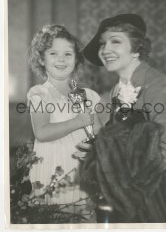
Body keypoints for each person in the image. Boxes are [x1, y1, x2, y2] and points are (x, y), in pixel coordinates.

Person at [78, 14, 166, 223]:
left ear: (136, 48)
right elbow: (110, 142)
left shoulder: (158, 84)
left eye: (116, 41)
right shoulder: (112, 93)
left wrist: (124, 183)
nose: (105, 49)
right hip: (120, 194)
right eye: (103, 43)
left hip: (153, 193)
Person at [27, 24, 101, 222]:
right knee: (57, 220)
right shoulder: (39, 94)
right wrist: (77, 121)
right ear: (42, 59)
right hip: (53, 170)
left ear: (76, 59)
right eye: (53, 53)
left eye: (68, 54)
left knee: (86, 220)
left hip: (82, 173)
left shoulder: (90, 96)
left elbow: (99, 134)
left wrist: (95, 143)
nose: (61, 59)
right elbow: (42, 132)